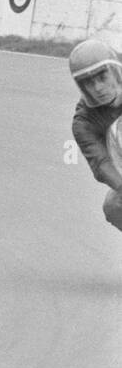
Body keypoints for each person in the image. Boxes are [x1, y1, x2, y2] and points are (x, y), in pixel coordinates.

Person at [68, 38, 122, 233]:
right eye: (88, 83)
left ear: (115, 70)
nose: (98, 88)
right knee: (114, 206)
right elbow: (100, 164)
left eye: (102, 77)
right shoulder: (84, 122)